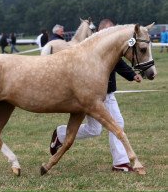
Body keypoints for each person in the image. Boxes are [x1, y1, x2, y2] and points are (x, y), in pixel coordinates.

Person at [49, 19, 143, 172]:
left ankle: (60, 134)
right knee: (117, 123)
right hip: (93, 96)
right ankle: (120, 162)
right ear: (101, 31)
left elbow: (120, 64)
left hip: (106, 93)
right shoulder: (95, 48)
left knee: (94, 130)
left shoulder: (113, 48)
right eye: (110, 30)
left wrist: (132, 75)